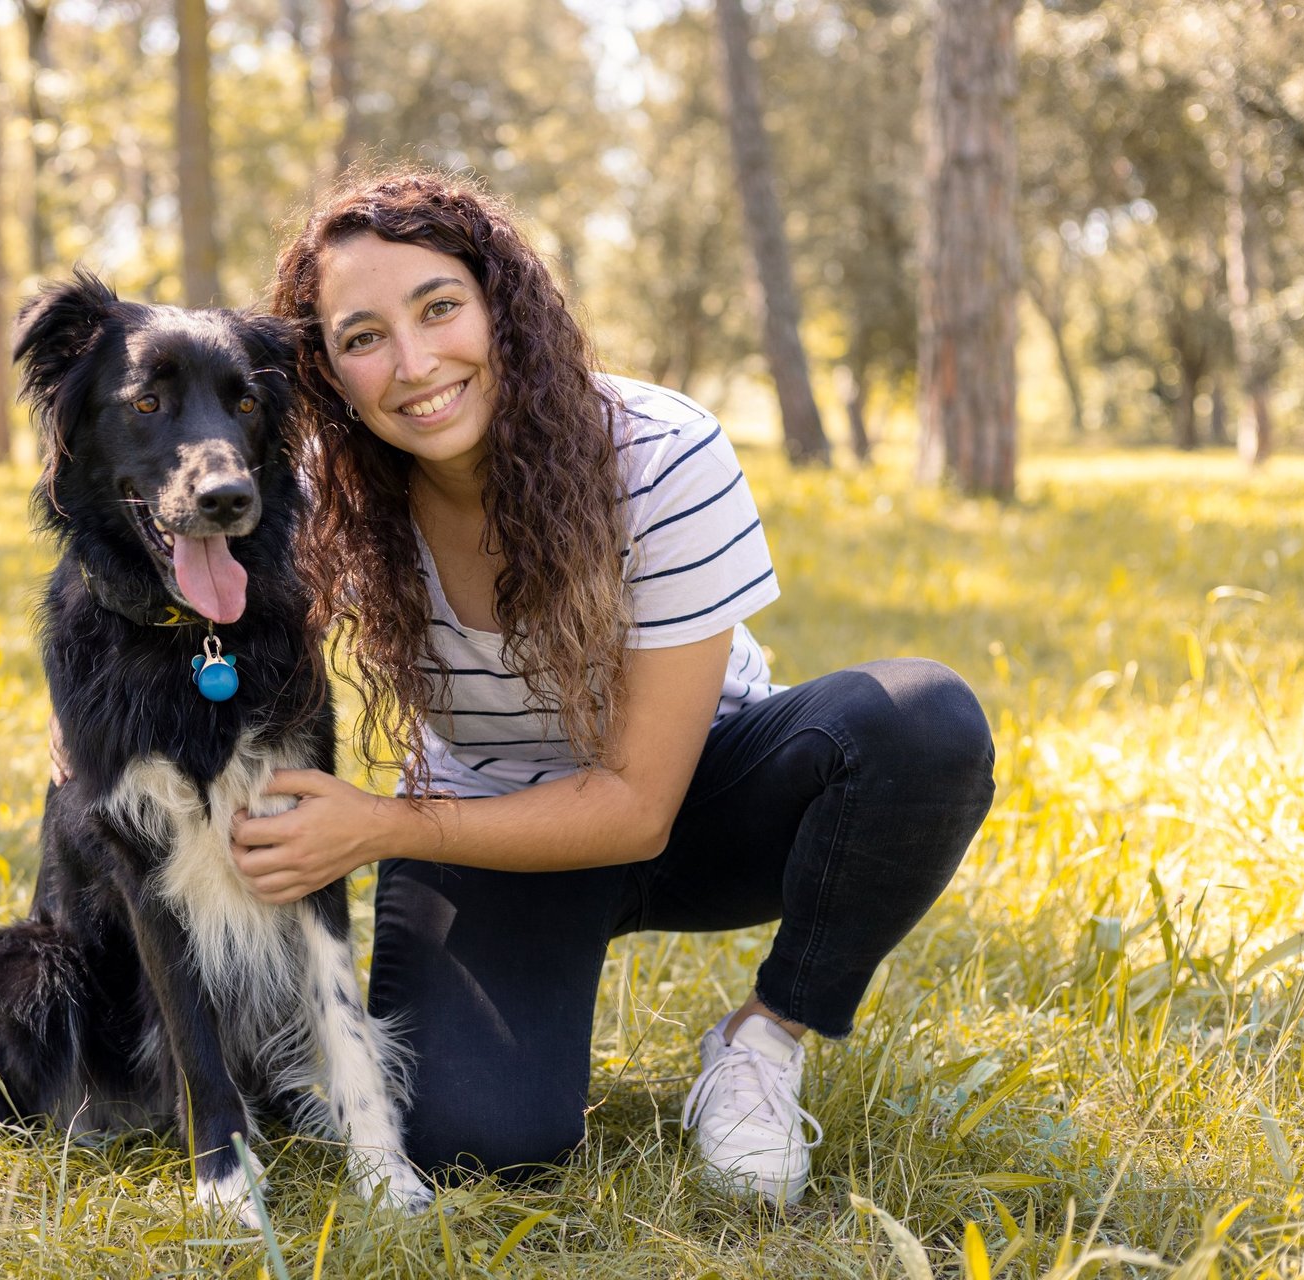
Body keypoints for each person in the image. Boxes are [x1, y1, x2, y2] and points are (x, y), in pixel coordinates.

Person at [216, 169, 997, 1207]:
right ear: (326, 370)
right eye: (362, 337)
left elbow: (635, 805)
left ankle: (764, 1039)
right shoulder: (324, 496)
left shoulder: (663, 453)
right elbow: (191, 610)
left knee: (921, 721)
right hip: (487, 825)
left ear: (502, 303)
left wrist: (378, 824)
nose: (414, 363)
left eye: (440, 307)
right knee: (477, 1141)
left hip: (698, 804)